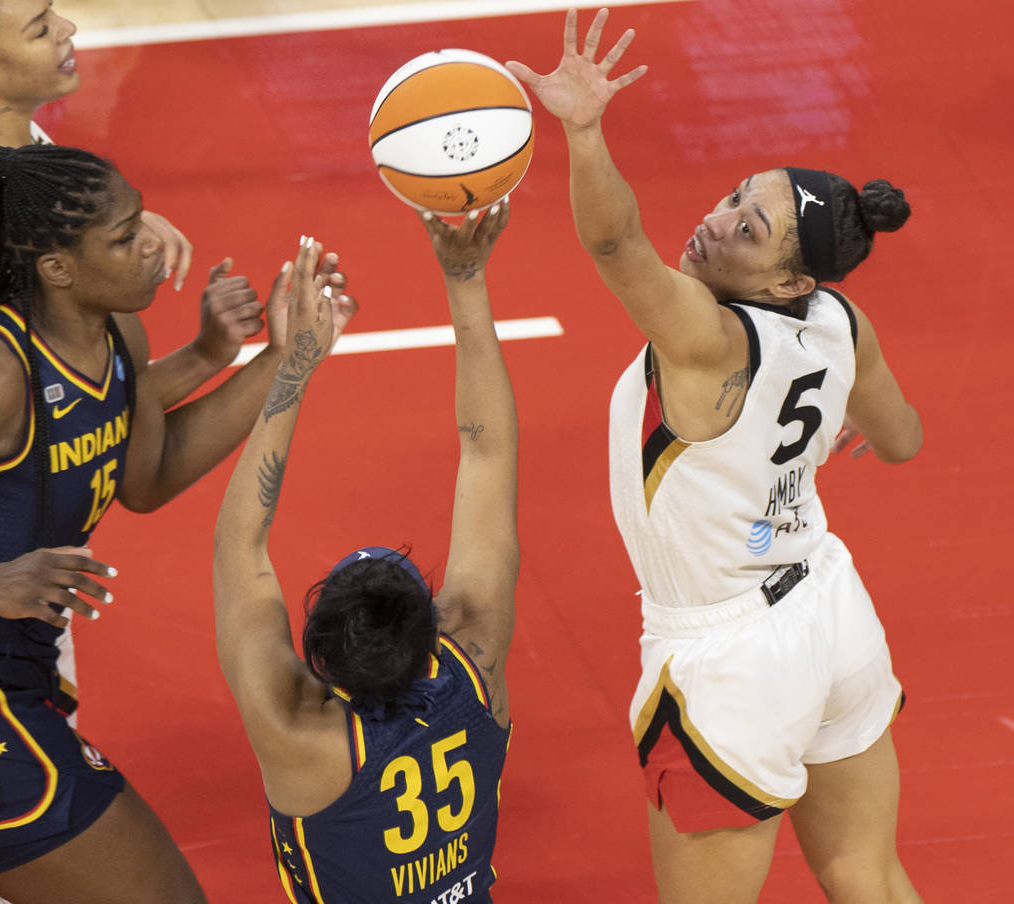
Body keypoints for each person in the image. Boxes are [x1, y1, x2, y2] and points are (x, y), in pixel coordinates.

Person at [0, 144, 352, 903]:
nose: (152, 248)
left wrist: (287, 357)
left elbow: (147, 477)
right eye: (127, 236)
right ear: (57, 267)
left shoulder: (118, 337)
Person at [507, 10, 923, 903]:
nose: (715, 221)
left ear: (788, 283)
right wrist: (835, 414)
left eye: (749, 230)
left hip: (733, 662)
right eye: (737, 196)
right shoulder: (845, 324)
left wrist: (583, 131)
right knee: (870, 877)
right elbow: (903, 440)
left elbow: (616, 244)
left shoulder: (706, 339)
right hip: (829, 608)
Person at [0, 0, 279, 637]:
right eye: (39, 27)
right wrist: (216, 356)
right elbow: (66, 402)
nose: (67, 28)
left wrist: (100, 217)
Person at [212, 205, 517, 903]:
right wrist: (465, 277)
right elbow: (488, 452)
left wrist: (296, 364)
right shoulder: (477, 661)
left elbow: (240, 545)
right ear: (433, 626)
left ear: (319, 659)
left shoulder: (297, 732)